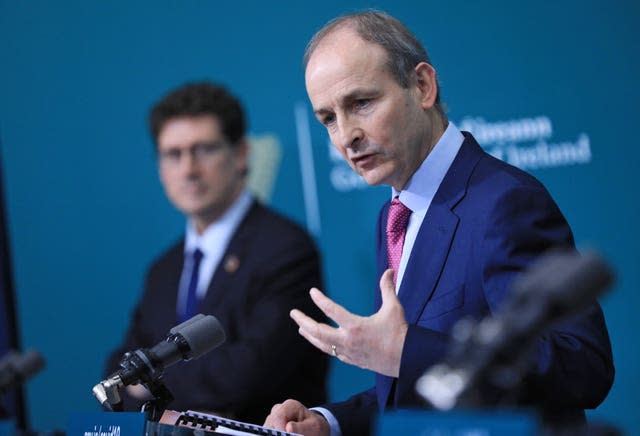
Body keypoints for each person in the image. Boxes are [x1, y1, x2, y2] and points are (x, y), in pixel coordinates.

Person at [264, 10, 614, 435]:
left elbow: (581, 364)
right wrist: (329, 422)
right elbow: (424, 385)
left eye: (361, 103)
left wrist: (403, 349)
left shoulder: (504, 202)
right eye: (329, 118)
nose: (346, 135)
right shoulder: (393, 216)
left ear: (422, 86)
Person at [106, 81, 328, 424]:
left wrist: (147, 383)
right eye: (173, 154)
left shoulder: (285, 249)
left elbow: (246, 375)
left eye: (204, 149)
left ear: (240, 154)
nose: (189, 169)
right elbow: (117, 372)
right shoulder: (163, 270)